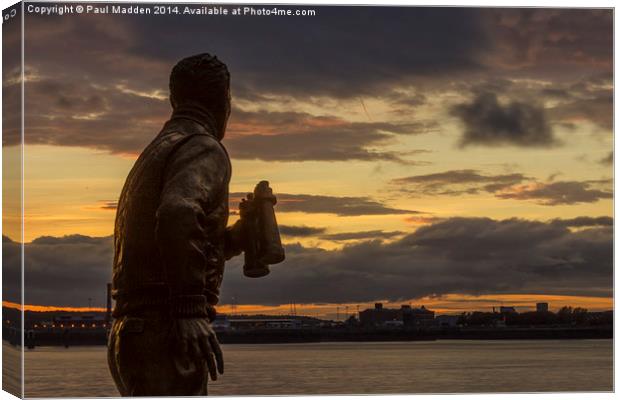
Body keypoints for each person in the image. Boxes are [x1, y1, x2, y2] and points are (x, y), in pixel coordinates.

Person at [108, 53, 244, 396]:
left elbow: (171, 240)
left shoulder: (157, 151)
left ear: (174, 99)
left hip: (131, 333)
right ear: (224, 100)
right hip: (165, 330)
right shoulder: (202, 147)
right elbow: (177, 214)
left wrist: (238, 238)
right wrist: (190, 309)